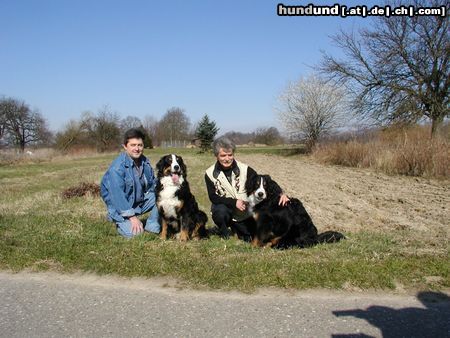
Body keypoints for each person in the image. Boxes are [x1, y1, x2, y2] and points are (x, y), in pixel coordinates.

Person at [204, 137, 289, 240]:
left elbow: (264, 181)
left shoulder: (245, 169)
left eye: (230, 155)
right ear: (216, 156)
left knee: (250, 237)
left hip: (244, 213)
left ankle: (238, 228)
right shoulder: (209, 173)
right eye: (223, 155)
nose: (227, 158)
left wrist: (281, 193)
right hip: (227, 209)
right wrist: (234, 202)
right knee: (220, 211)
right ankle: (224, 230)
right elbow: (213, 197)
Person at [100, 128, 160, 238]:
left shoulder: (144, 162)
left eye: (140, 145)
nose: (137, 149)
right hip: (121, 207)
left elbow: (153, 185)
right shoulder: (117, 168)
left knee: (162, 195)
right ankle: (118, 220)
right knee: (136, 234)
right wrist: (132, 218)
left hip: (138, 203)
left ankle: (152, 224)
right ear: (125, 146)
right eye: (133, 145)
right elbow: (118, 198)